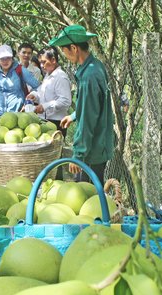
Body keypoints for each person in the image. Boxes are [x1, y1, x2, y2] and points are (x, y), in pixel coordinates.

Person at [50, 25, 114, 184]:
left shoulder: (89, 77)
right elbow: (92, 105)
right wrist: (73, 115)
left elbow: (87, 121)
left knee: (87, 198)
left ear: (73, 48)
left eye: (64, 51)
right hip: (98, 145)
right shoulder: (95, 66)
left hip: (92, 151)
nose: (65, 56)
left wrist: (78, 155)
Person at [25, 46, 72, 180]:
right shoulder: (48, 75)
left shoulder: (61, 77)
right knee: (47, 158)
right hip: (47, 121)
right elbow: (42, 91)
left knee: (55, 158)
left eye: (44, 62)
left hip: (57, 122)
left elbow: (65, 101)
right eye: (40, 62)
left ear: (54, 60)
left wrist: (44, 107)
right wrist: (34, 95)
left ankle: (57, 183)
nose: (42, 65)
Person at [0, 44, 40, 118]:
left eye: (8, 58)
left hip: (17, 114)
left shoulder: (20, 70)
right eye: (2, 59)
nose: (5, 61)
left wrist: (29, 101)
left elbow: (37, 87)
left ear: (12, 58)